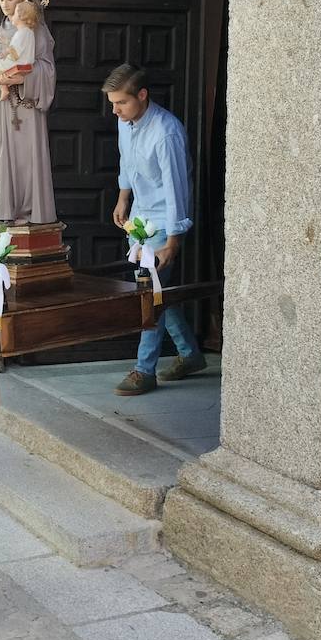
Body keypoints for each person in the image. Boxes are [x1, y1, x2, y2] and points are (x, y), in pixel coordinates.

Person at [104, 63, 206, 395]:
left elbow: (178, 189)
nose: (115, 110)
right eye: (113, 103)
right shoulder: (126, 122)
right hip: (140, 219)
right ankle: (190, 354)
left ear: (142, 95)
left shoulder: (166, 132)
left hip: (164, 223)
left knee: (151, 295)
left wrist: (173, 241)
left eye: (121, 102)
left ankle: (143, 369)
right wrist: (123, 198)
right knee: (159, 294)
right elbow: (126, 161)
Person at [0, 0, 57, 224]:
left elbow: (46, 68)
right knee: (3, 157)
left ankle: (33, 214)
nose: (5, 5)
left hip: (27, 106)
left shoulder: (36, 29)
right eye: (1, 0)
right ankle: (11, 213)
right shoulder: (3, 28)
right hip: (3, 106)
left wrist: (20, 78)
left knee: (27, 161)